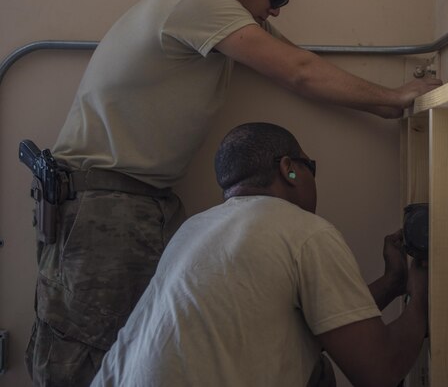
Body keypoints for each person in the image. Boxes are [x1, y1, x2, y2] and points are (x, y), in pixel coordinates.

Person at [24, 0, 441, 386]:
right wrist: (392, 100)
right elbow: (298, 70)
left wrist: (387, 106)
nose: (278, 10)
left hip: (135, 203)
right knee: (83, 365)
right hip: (105, 204)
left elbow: (301, 67)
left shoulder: (219, 19)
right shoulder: (199, 3)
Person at [91, 122, 429, 387]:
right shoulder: (305, 231)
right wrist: (422, 294)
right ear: (289, 169)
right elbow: (380, 371)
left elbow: (313, 327)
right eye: (309, 166)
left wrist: (393, 281)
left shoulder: (194, 229)